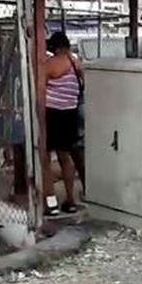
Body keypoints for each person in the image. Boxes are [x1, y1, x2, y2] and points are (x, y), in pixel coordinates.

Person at [44, 31, 82, 216]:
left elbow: (40, 88)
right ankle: (70, 200)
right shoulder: (75, 63)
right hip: (70, 113)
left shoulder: (49, 64)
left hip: (51, 113)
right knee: (65, 157)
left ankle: (50, 203)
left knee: (45, 158)